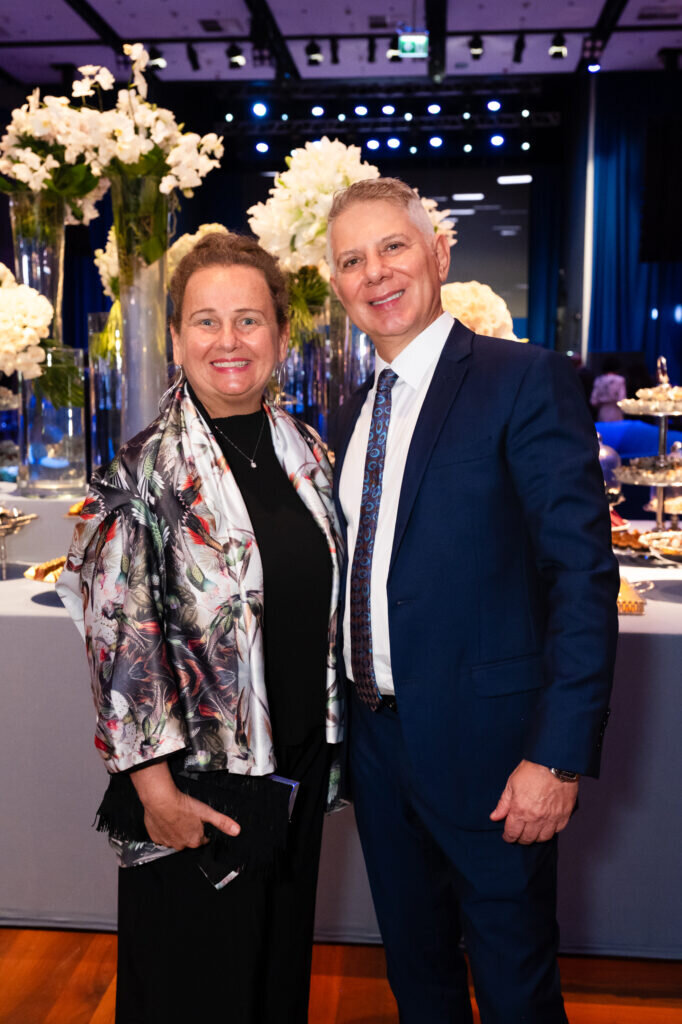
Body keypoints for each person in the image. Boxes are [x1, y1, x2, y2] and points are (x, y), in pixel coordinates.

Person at [327, 177, 619, 1024]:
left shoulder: (523, 379)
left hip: (498, 759)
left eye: (393, 247)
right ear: (337, 285)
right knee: (417, 983)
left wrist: (556, 758)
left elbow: (581, 579)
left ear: (439, 252)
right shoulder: (351, 412)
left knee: (516, 990)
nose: (376, 273)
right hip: (378, 749)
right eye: (353, 260)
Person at [57, 232, 343, 1024]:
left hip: (294, 766)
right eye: (206, 321)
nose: (229, 340)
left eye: (248, 320)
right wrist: (156, 792)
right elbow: (118, 645)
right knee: (194, 992)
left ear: (280, 333)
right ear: (177, 337)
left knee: (275, 982)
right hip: (195, 783)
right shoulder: (139, 474)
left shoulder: (307, 452)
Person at [590, 355, 627, 421]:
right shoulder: (620, 380)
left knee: (603, 427)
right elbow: (621, 399)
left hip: (602, 412)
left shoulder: (599, 380)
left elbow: (593, 401)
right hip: (616, 411)